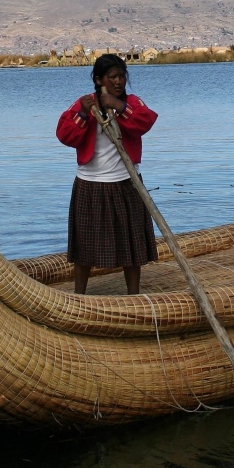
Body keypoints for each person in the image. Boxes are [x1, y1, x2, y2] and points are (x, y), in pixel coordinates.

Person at [56, 54, 158, 294]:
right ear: (98, 78)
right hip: (90, 183)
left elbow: (145, 122)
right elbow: (64, 135)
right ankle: (79, 294)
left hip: (126, 183)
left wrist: (118, 105)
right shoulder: (84, 105)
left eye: (122, 76)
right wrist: (82, 113)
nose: (119, 81)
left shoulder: (131, 103)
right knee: (85, 245)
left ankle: (134, 294)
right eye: (113, 77)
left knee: (131, 245)